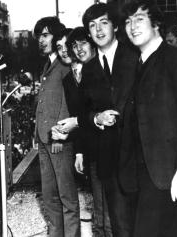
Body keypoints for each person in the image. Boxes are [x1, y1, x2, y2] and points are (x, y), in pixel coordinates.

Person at [119, 1, 177, 236]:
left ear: (156, 24)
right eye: (128, 21)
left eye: (139, 19)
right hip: (144, 173)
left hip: (166, 172)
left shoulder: (176, 59)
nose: (132, 26)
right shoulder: (138, 62)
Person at [57, 3, 138, 237]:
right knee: (116, 223)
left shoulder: (135, 57)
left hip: (139, 157)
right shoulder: (89, 70)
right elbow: (84, 113)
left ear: (115, 25)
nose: (98, 29)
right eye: (92, 25)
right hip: (107, 157)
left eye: (104, 22)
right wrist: (97, 119)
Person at [54, 26, 113, 237]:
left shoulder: (105, 69)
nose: (78, 49)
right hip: (93, 148)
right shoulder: (74, 77)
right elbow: (79, 113)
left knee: (114, 213)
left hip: (114, 149)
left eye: (82, 43)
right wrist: (79, 152)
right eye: (74, 45)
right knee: (100, 210)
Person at [33, 16, 80, 237]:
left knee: (66, 198)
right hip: (44, 139)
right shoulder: (49, 65)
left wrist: (60, 136)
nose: (40, 40)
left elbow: (67, 103)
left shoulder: (64, 65)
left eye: (45, 35)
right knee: (49, 196)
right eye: (38, 36)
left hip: (58, 140)